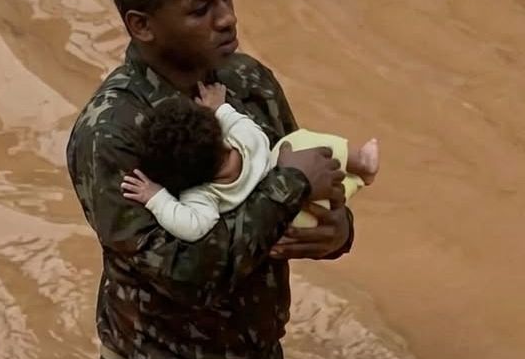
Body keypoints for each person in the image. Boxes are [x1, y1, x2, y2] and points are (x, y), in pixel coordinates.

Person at [65, 0, 357, 359]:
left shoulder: (247, 83)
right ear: (142, 25)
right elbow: (184, 269)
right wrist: (289, 188)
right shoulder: (114, 133)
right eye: (202, 8)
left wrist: (337, 231)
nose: (226, 19)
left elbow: (313, 186)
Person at [120, 81, 379, 242]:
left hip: (291, 228)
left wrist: (156, 197)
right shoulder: (248, 140)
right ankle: (362, 165)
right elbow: (238, 122)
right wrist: (219, 108)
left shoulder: (203, 195)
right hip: (314, 206)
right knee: (300, 141)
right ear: (219, 135)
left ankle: (357, 179)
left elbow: (191, 227)